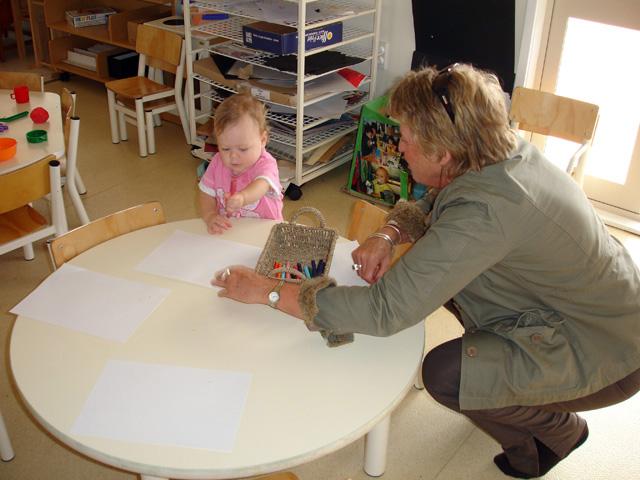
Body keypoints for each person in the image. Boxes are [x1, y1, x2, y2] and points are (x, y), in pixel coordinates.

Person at [211, 64, 640, 478]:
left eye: (406, 137)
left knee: (445, 374)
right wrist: (389, 233)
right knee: (440, 279)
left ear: (444, 152)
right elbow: (441, 204)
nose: (399, 147)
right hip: (594, 310)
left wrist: (269, 292)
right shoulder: (498, 150)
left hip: (608, 353)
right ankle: (511, 381)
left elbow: (385, 312)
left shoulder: (488, 210)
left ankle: (558, 434)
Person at [198, 93, 283, 234]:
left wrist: (243, 197)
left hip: (266, 233)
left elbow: (261, 185)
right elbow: (205, 193)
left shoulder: (266, 164)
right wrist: (210, 215)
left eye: (243, 149)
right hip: (230, 231)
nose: (233, 156)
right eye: (225, 148)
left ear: (262, 140)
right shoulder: (217, 162)